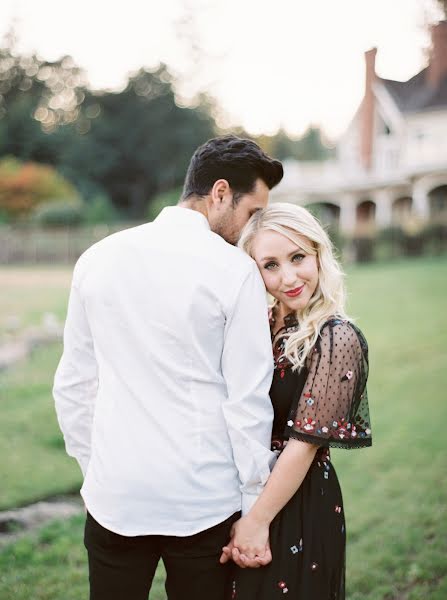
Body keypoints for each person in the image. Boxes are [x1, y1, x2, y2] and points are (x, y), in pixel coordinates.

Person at [53, 135, 283, 600]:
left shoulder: (97, 259)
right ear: (220, 193)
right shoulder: (234, 271)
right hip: (202, 502)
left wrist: (96, 469)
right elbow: (247, 402)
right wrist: (252, 504)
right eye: (251, 213)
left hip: (116, 496)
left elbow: (74, 385)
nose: (250, 228)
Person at [220, 202, 372, 599]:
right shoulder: (255, 324)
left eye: (298, 257)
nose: (288, 277)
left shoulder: (336, 338)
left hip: (294, 501)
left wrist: (256, 522)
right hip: (235, 492)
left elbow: (302, 449)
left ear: (319, 253)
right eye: (270, 265)